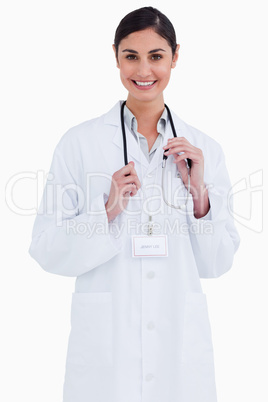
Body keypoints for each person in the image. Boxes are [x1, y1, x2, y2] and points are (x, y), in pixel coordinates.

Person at [29, 6, 240, 402]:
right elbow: (45, 248)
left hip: (180, 353)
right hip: (106, 356)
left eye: (156, 56)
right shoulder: (79, 143)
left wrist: (199, 195)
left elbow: (218, 263)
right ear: (115, 56)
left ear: (176, 56)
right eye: (131, 56)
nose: (144, 70)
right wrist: (105, 209)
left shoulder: (203, 149)